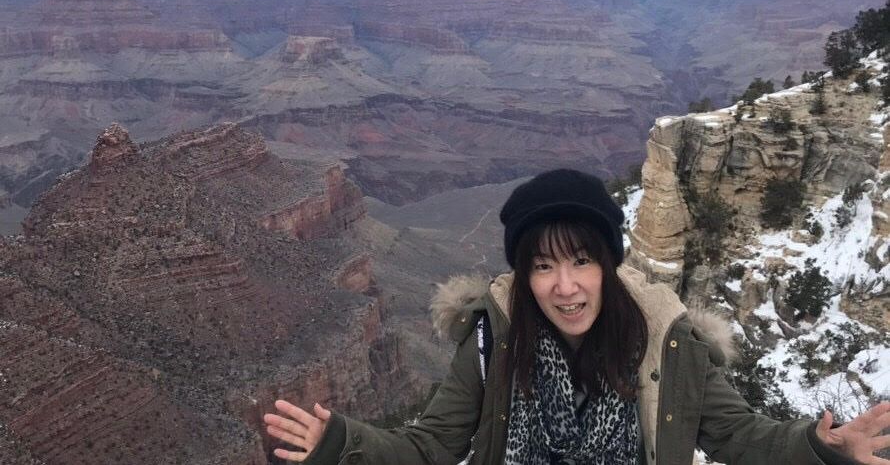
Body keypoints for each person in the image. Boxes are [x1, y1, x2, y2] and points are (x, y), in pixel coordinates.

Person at [263, 168, 890, 464]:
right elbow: (430, 446)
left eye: (581, 260)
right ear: (523, 273)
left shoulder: (667, 341)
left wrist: (822, 446)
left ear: (608, 265)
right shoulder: (493, 339)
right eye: (542, 266)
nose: (564, 287)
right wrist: (342, 444)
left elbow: (739, 434)